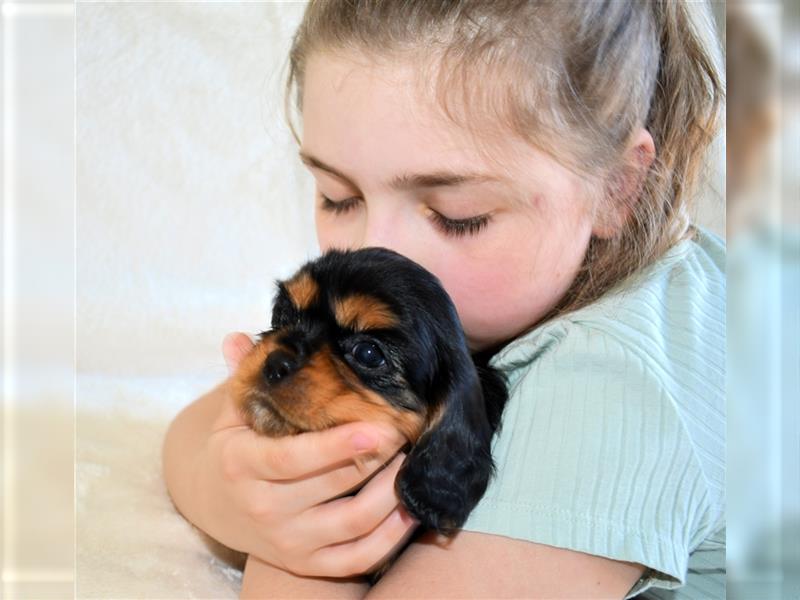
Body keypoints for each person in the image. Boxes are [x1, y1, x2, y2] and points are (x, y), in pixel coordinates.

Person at [163, 1, 725, 598]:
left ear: (617, 189)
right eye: (337, 196)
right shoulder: (502, 303)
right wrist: (238, 496)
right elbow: (193, 431)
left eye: (457, 217)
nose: (374, 248)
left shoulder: (610, 386)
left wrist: (300, 556)